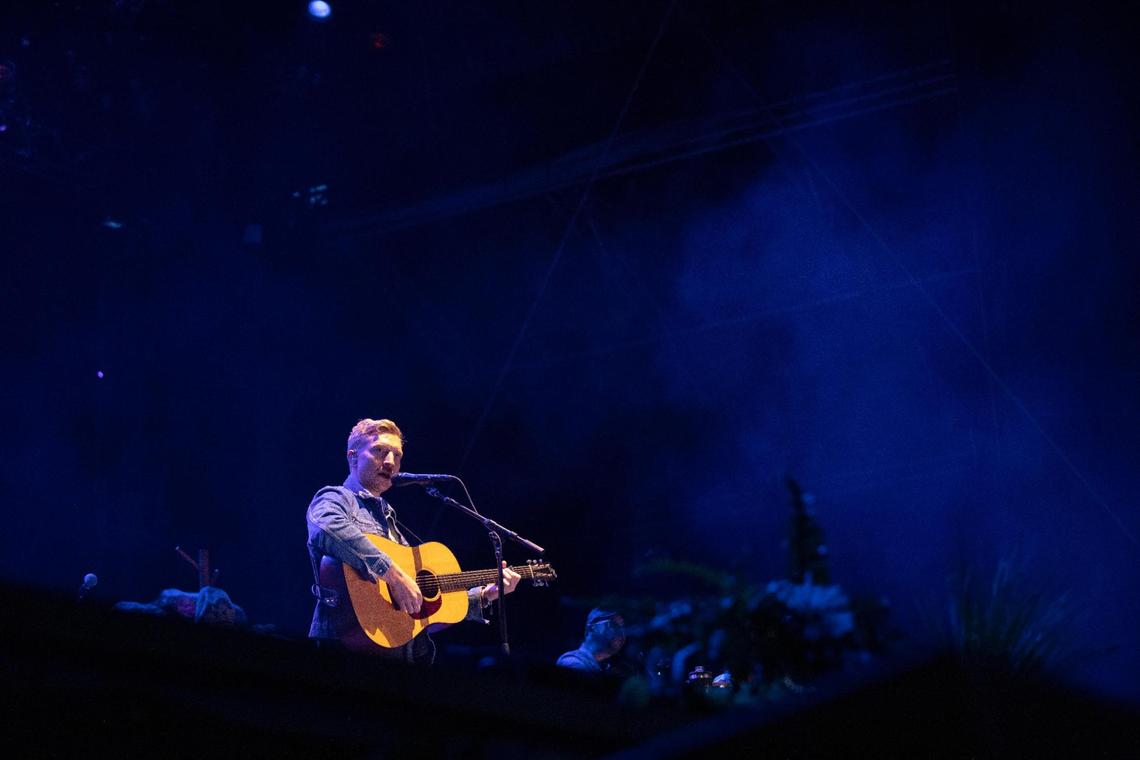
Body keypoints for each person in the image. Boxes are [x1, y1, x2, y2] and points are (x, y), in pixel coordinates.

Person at [307, 417, 520, 663]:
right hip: (345, 653)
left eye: (396, 455)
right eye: (379, 451)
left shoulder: (392, 522)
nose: (389, 462)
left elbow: (420, 606)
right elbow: (327, 527)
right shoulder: (335, 499)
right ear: (352, 457)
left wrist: (483, 596)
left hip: (405, 657)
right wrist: (392, 573)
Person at [556, 608, 627, 673]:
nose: (621, 632)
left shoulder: (614, 668)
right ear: (592, 628)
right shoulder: (572, 662)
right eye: (613, 625)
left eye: (623, 626)